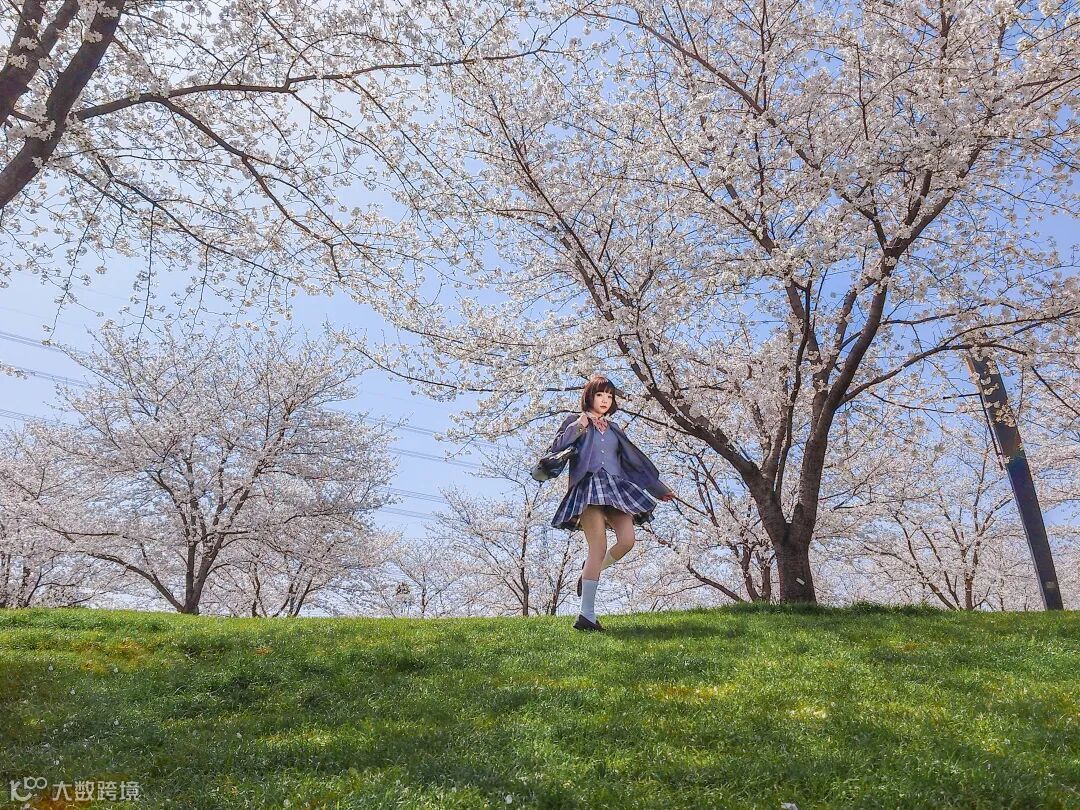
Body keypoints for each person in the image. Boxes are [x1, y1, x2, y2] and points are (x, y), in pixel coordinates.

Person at [546, 375, 676, 631]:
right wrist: (580, 425)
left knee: (627, 541)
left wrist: (658, 489)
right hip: (588, 489)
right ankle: (586, 616)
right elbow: (556, 447)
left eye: (609, 396)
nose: (605, 400)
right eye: (600, 395)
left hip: (617, 489)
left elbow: (633, 463)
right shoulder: (575, 421)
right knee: (598, 547)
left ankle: (588, 571)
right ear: (589, 396)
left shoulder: (615, 428)